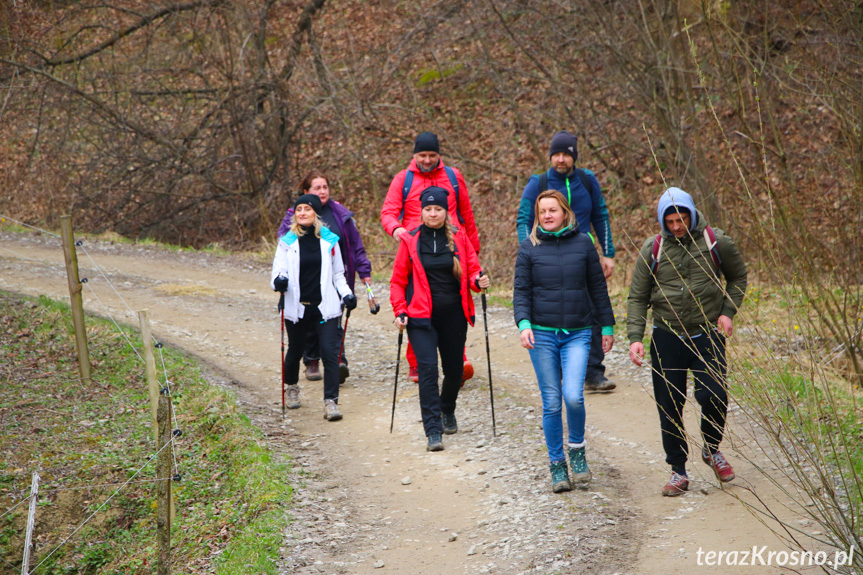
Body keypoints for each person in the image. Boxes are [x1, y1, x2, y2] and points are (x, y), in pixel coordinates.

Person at [626, 187, 747, 496]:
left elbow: (738, 278)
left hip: (707, 333)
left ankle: (711, 448)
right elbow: (638, 298)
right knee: (670, 406)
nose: (677, 226)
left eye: (681, 219)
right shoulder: (652, 249)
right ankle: (678, 471)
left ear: (692, 214)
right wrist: (635, 338)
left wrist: (728, 312)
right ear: (662, 221)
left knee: (714, 395)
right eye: (670, 221)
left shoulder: (716, 242)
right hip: (667, 338)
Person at [514, 190, 615, 493]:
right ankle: (557, 464)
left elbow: (598, 288)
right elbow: (521, 291)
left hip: (578, 332)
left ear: (565, 212)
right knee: (552, 401)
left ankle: (578, 452)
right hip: (542, 335)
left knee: (573, 395)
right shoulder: (528, 248)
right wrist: (524, 324)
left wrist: (607, 326)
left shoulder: (584, 243)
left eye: (552, 210)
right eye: (542, 211)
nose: (547, 215)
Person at [390, 187, 489, 451]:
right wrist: (400, 310)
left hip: (454, 314)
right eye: (428, 209)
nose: (433, 214)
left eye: (438, 209)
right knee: (428, 371)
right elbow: (398, 282)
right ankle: (433, 430)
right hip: (420, 317)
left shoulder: (459, 236)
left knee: (455, 371)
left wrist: (478, 281)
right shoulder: (410, 239)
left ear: (446, 211)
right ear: (421, 211)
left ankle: (447, 408)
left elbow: (472, 269)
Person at [517, 131, 616, 391]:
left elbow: (601, 215)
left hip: (582, 255)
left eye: (566, 154)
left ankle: (594, 372)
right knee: (556, 309)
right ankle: (563, 368)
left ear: (574, 156)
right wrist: (529, 252)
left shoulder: (587, 180)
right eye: (556, 154)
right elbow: (523, 219)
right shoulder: (538, 182)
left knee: (591, 309)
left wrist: (608, 253)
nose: (560, 159)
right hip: (545, 256)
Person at [381, 131, 481, 384]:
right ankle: (417, 363)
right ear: (414, 155)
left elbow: (466, 214)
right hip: (416, 250)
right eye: (422, 155)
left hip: (452, 247)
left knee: (453, 302)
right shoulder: (403, 179)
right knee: (419, 302)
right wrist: (397, 230)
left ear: (439, 155)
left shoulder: (453, 176)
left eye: (432, 155)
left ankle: (457, 359)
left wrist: (473, 251)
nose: (427, 160)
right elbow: (388, 212)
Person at [278, 171, 372, 383]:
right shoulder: (296, 215)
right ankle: (311, 359)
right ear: (306, 192)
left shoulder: (340, 213)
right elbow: (283, 245)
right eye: (317, 188)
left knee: (334, 317)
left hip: (337, 274)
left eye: (325, 187)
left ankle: (338, 360)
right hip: (305, 278)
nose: (322, 191)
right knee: (309, 320)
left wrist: (364, 270)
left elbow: (356, 245)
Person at [271, 194, 358, 421]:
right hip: (297, 308)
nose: (302, 213)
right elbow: (278, 272)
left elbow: (339, 274)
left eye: (307, 209)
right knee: (295, 351)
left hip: (325, 307)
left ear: (315, 213)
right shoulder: (287, 242)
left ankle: (331, 402)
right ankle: (291, 386)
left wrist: (347, 294)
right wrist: (279, 281)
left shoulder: (330, 241)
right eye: (298, 209)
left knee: (330, 354)